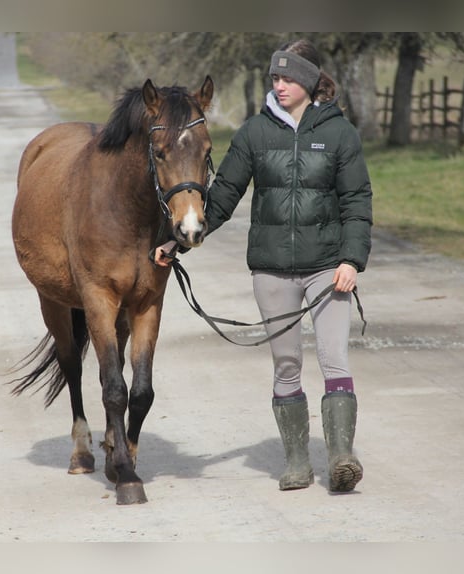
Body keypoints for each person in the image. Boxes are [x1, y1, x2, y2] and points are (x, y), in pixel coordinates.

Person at [155, 38, 372, 493]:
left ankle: (340, 457)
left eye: (289, 77)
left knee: (335, 359)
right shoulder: (255, 132)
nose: (280, 84)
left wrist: (352, 259)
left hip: (327, 267)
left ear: (309, 81)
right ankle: (296, 462)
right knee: (286, 363)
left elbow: (356, 199)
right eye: (276, 77)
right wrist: (180, 242)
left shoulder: (339, 133)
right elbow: (226, 193)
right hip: (272, 269)